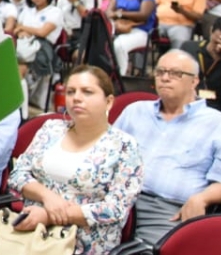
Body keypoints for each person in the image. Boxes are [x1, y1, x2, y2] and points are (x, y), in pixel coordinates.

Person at [10, 66, 143, 255]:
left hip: (84, 243)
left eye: (87, 92)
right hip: (32, 233)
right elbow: (18, 174)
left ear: (109, 102)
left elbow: (115, 209)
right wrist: (48, 197)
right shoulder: (51, 129)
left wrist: (49, 216)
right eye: (71, 92)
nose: (76, 98)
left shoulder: (124, 146)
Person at [114, 50, 221, 246]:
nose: (165, 78)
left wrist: (202, 199)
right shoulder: (135, 110)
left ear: (194, 81)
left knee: (150, 251)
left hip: (167, 210)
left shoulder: (219, 124)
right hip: (117, 199)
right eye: (160, 72)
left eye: (175, 73)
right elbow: (105, 153)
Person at [16, 0, 65, 111]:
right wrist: (23, 31)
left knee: (20, 67)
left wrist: (25, 28)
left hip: (44, 46)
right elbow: (17, 30)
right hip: (24, 43)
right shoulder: (27, 11)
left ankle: (22, 109)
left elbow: (43, 32)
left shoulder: (55, 12)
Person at [106, 0, 157, 77]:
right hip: (118, 29)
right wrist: (120, 14)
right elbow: (109, 13)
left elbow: (143, 15)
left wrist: (120, 14)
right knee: (103, 43)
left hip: (141, 32)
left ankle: (120, 77)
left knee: (119, 46)